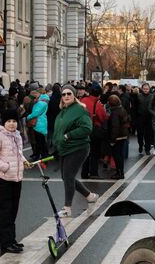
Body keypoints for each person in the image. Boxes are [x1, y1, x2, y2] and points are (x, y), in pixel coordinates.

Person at [0, 108, 33, 254]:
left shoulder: (16, 135)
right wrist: (6, 167)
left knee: (13, 211)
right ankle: (5, 243)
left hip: (16, 178)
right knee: (5, 212)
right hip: (4, 179)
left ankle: (12, 240)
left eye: (14, 121)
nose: (12, 124)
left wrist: (24, 161)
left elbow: (18, 154)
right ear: (4, 122)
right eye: (9, 121)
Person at [52, 84, 98, 216]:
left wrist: (68, 135)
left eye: (69, 94)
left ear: (74, 95)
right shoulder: (63, 111)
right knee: (66, 177)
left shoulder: (80, 109)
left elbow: (87, 128)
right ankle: (90, 196)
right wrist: (56, 143)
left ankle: (67, 208)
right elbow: (59, 130)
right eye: (64, 94)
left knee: (68, 177)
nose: (66, 96)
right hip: (65, 149)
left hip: (78, 148)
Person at [107, 94, 129, 180]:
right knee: (120, 155)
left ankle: (119, 173)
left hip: (117, 136)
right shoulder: (121, 109)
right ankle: (120, 172)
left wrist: (112, 140)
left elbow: (115, 127)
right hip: (123, 134)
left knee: (117, 156)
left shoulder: (114, 112)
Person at [25, 91, 49, 161]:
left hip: (39, 124)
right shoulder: (43, 101)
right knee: (42, 142)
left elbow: (35, 113)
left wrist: (28, 117)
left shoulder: (41, 103)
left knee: (41, 143)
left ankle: (44, 158)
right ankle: (44, 157)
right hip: (41, 123)